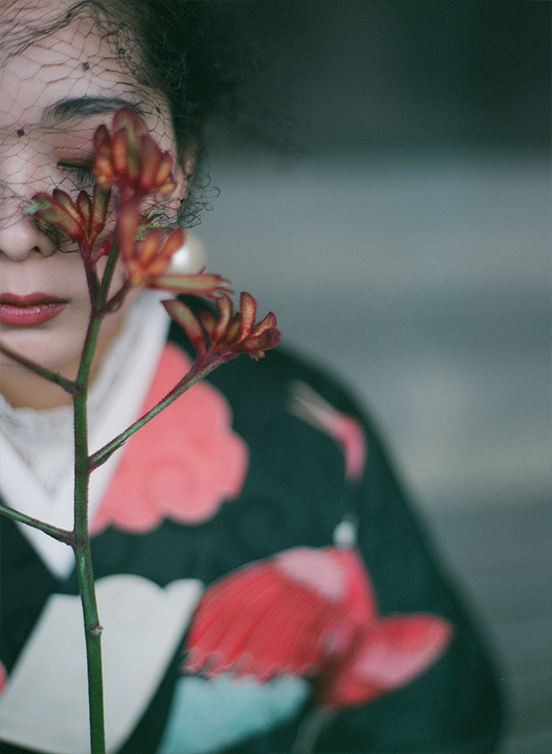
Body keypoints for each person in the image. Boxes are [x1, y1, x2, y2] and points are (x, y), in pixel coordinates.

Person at [0, 2, 503, 752]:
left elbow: (432, 724)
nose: (16, 236)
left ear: (183, 161)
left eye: (82, 161)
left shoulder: (304, 435)